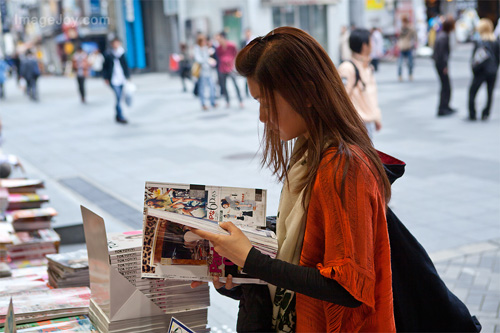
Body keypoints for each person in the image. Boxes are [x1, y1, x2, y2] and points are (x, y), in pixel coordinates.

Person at [191, 27, 395, 332]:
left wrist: (251, 259)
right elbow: (295, 266)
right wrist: (238, 276)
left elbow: (348, 288)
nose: (262, 117)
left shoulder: (343, 166)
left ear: (307, 92)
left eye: (267, 101)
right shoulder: (308, 151)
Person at [338, 28, 382, 139]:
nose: (373, 44)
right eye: (371, 41)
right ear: (364, 46)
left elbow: (371, 95)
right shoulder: (347, 68)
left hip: (368, 122)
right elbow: (340, 98)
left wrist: (376, 116)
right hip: (357, 125)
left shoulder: (367, 67)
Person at [468, 18, 500, 121]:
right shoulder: (495, 41)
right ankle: (485, 113)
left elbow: (474, 59)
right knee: (490, 93)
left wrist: (474, 70)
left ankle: (472, 113)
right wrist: (495, 68)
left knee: (472, 92)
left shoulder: (479, 41)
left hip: (480, 72)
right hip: (492, 71)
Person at [102, 38, 130, 124]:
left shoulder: (122, 53)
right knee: (118, 97)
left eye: (118, 43)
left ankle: (118, 115)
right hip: (113, 79)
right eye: (115, 43)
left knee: (120, 97)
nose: (116, 45)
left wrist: (128, 76)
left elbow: (125, 65)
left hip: (121, 78)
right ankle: (120, 116)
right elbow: (105, 67)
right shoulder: (108, 54)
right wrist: (106, 78)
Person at [433, 16, 456, 117]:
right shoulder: (444, 37)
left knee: (445, 86)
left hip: (439, 64)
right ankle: (443, 108)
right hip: (441, 65)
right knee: (446, 86)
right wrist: (444, 66)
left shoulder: (442, 35)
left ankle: (445, 106)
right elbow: (442, 54)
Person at [216, 32, 244, 109]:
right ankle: (227, 101)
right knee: (224, 86)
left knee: (235, 84)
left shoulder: (232, 45)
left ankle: (240, 100)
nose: (218, 40)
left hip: (230, 67)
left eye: (219, 38)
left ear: (223, 37)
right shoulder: (218, 48)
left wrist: (233, 63)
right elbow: (219, 57)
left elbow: (236, 54)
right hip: (222, 68)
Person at [194, 34, 217, 111]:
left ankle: (212, 102)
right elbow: (198, 59)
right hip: (202, 72)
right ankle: (203, 103)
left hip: (209, 71)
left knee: (212, 86)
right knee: (202, 88)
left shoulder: (206, 48)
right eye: (203, 41)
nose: (204, 42)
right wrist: (207, 59)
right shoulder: (197, 49)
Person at [397, 16, 417, 81]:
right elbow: (398, 37)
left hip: (408, 47)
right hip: (402, 48)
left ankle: (410, 74)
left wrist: (415, 43)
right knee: (400, 64)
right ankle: (400, 76)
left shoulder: (410, 29)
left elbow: (415, 36)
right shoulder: (400, 29)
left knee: (410, 63)